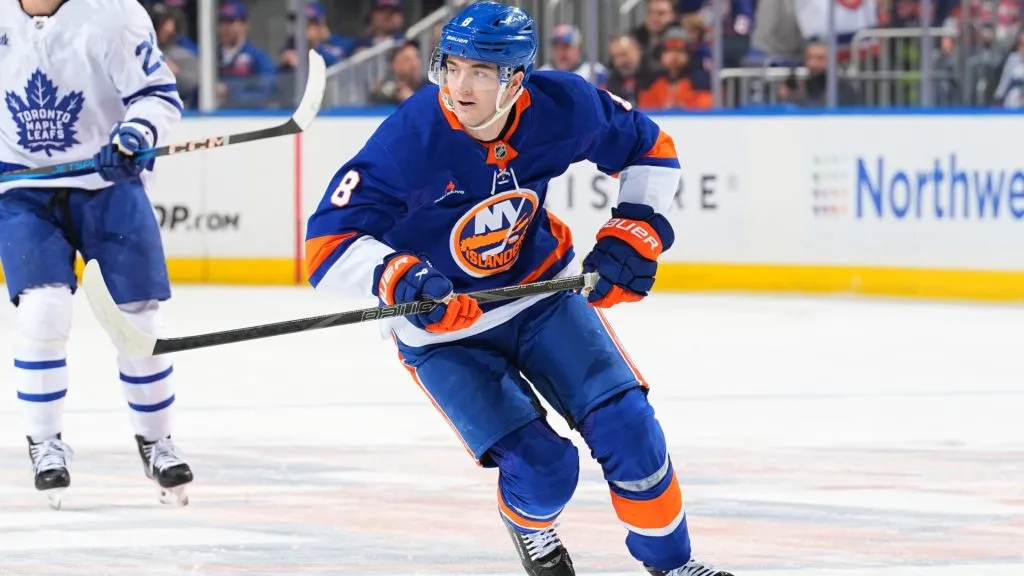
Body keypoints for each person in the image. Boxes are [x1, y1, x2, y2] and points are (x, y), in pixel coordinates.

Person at [303, 3, 731, 575]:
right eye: (452, 67)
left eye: (482, 71)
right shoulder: (412, 139)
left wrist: (637, 228)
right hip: (445, 330)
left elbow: (650, 149)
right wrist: (398, 277)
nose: (461, 86)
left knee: (630, 430)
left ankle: (673, 566)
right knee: (545, 470)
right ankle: (531, 528)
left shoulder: (562, 108)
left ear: (517, 79)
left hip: (540, 295)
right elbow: (326, 244)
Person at [0, 0, 193, 509]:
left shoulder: (113, 13)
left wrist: (133, 135)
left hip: (108, 185)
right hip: (24, 191)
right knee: (43, 311)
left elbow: (157, 94)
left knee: (139, 322)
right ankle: (45, 443)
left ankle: (157, 440)